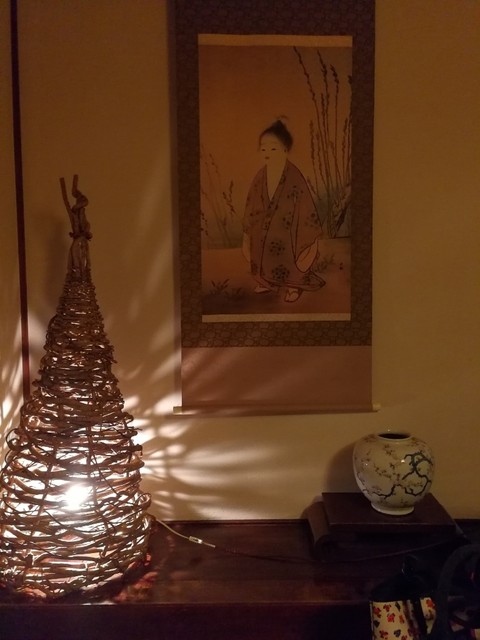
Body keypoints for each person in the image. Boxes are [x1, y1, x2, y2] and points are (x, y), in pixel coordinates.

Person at [243, 119, 325, 303]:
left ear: (285, 150)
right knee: (259, 245)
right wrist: (249, 229)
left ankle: (293, 285)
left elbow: (305, 207)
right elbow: (252, 204)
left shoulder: (294, 176)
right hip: (265, 229)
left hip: (288, 229)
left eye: (273, 148)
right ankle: (266, 281)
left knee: (290, 251)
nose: (267, 153)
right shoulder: (260, 176)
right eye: (263, 148)